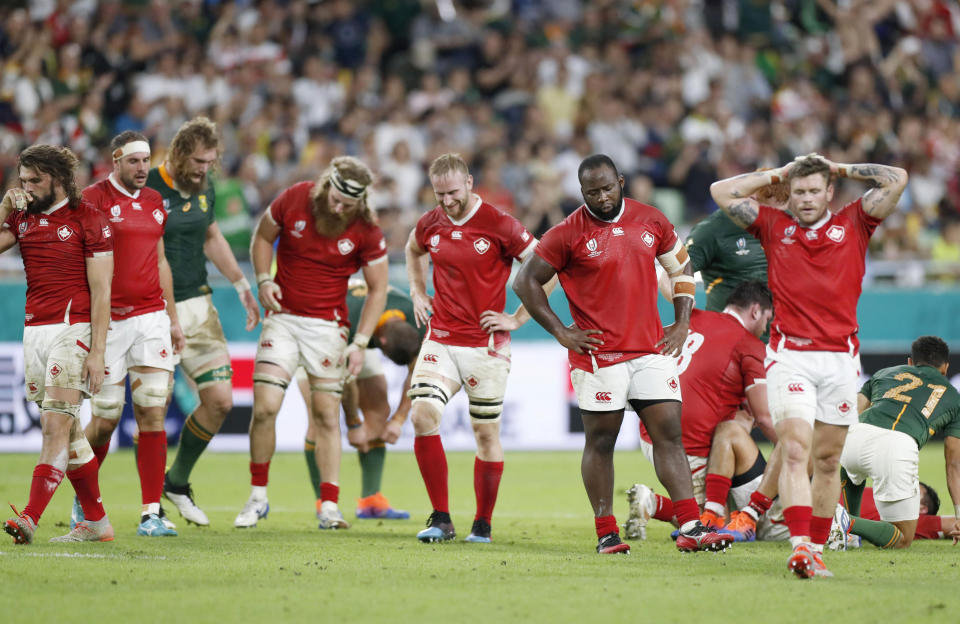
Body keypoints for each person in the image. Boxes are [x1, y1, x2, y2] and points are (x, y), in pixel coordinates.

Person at [514, 154, 731, 555]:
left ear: (622, 182)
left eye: (607, 188)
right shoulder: (565, 233)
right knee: (601, 443)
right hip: (599, 356)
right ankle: (606, 532)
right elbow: (524, 282)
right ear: (581, 192)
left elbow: (681, 270)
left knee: (669, 437)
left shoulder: (652, 219)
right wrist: (562, 331)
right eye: (591, 192)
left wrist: (682, 323)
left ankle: (691, 526)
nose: (601, 197)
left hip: (651, 349)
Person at [710, 153, 908, 578]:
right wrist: (777, 175)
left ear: (829, 193)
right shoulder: (772, 225)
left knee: (828, 460)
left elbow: (897, 180)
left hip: (839, 360)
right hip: (790, 357)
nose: (805, 199)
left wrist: (841, 167)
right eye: (798, 192)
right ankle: (799, 546)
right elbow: (721, 192)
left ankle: (815, 550)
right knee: (795, 448)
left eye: (814, 190)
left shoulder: (855, 222)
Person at [236, 156, 388, 530]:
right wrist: (262, 279)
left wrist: (361, 341)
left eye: (347, 204)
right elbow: (262, 237)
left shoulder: (366, 228)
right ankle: (257, 497)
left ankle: (329, 506)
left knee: (324, 415)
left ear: (360, 202)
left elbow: (378, 288)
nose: (338, 208)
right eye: (335, 198)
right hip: (283, 319)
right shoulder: (295, 198)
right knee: (266, 406)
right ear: (326, 186)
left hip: (328, 329)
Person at [405, 152, 549, 545]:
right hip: (441, 339)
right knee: (421, 415)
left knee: (486, 434)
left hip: (486, 346)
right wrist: (418, 291)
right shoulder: (431, 222)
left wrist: (518, 318)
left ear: (469, 182)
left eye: (452, 192)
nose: (447, 201)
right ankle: (441, 518)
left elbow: (545, 267)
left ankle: (482, 523)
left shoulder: (500, 223)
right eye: (439, 195)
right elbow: (412, 250)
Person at [145, 116, 261, 526]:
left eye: (210, 161)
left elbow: (212, 236)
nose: (204, 168)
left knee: (220, 401)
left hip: (200, 305)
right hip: (154, 311)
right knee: (151, 412)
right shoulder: (149, 188)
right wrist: (168, 315)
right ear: (178, 153)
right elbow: (152, 257)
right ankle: (148, 509)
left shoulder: (204, 186)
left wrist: (241, 284)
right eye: (197, 161)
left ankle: (175, 481)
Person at [2, 145, 114, 544]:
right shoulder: (20, 219)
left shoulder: (90, 220)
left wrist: (98, 351)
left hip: (75, 328)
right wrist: (3, 209)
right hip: (35, 331)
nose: (26, 188)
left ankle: (29, 517)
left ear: (59, 179)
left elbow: (102, 291)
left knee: (54, 425)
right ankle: (97, 521)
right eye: (23, 180)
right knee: (68, 434)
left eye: (35, 180)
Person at [78, 132, 186, 536]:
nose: (143, 168)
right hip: (107, 323)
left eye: (146, 161)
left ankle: (150, 513)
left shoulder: (157, 203)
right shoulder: (92, 199)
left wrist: (173, 319)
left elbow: (159, 261)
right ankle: (84, 497)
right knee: (106, 420)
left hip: (151, 318)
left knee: (152, 410)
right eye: (134, 162)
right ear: (116, 161)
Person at [625, 280, 780, 539]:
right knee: (699, 521)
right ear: (755, 311)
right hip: (689, 444)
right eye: (767, 318)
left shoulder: (693, 317)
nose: (767, 327)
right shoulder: (749, 345)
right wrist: (795, 454)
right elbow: (764, 417)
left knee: (718, 504)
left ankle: (658, 503)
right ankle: (654, 503)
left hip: (651, 431)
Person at [298, 280, 424, 520]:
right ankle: (323, 502)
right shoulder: (347, 323)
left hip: (362, 337)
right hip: (319, 338)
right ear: (383, 344)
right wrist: (354, 424)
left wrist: (398, 419)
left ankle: (371, 501)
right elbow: (345, 381)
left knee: (379, 409)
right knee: (322, 417)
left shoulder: (418, 319)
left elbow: (417, 371)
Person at [838, 335, 960, 549]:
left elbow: (853, 411)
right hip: (897, 446)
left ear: (910, 362)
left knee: (851, 470)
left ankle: (847, 533)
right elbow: (954, 464)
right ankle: (845, 522)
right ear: (946, 367)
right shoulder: (953, 396)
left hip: (856, 434)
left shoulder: (884, 373)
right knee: (902, 538)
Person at [844, 482, 960, 545]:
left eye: (914, 490)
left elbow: (952, 524)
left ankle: (840, 519)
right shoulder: (882, 491)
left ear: (922, 509)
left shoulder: (910, 520)